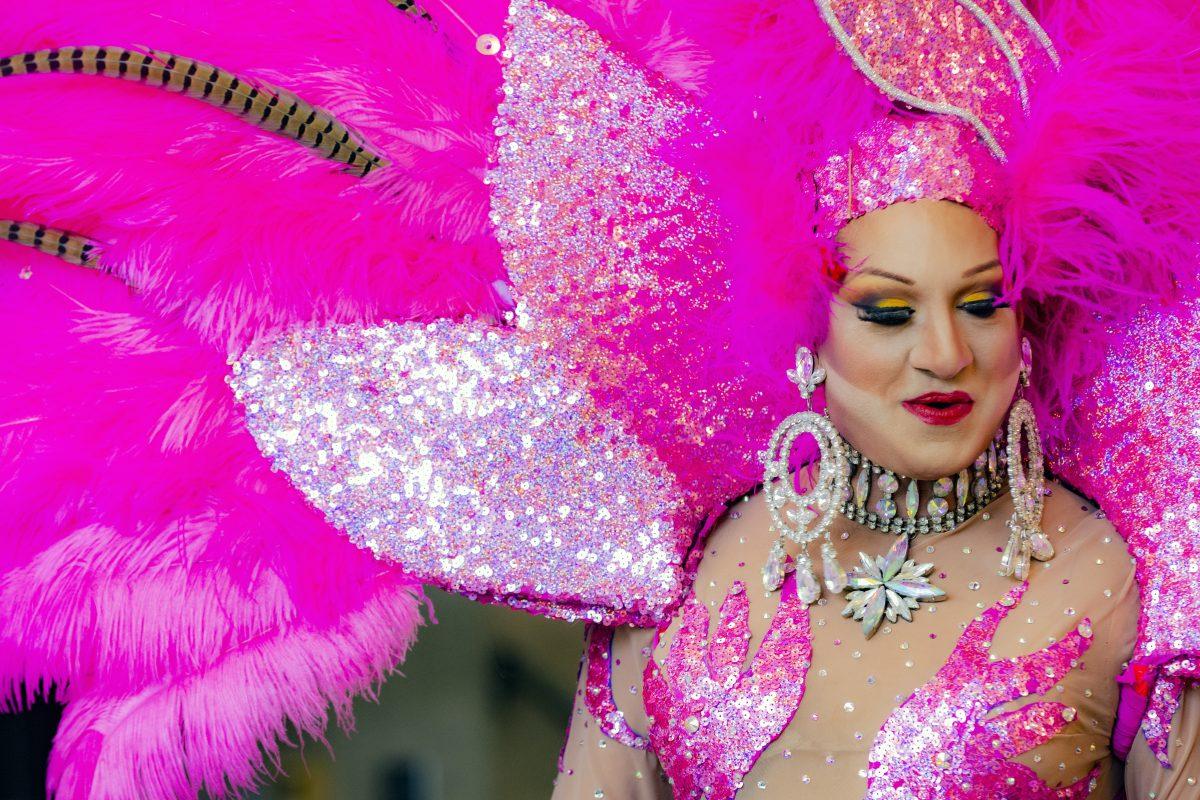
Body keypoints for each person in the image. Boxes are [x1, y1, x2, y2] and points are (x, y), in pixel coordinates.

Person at [3, 0, 1200, 797]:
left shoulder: (1122, 577)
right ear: (814, 340)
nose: (942, 350)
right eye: (889, 311)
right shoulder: (685, 572)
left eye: (980, 304)